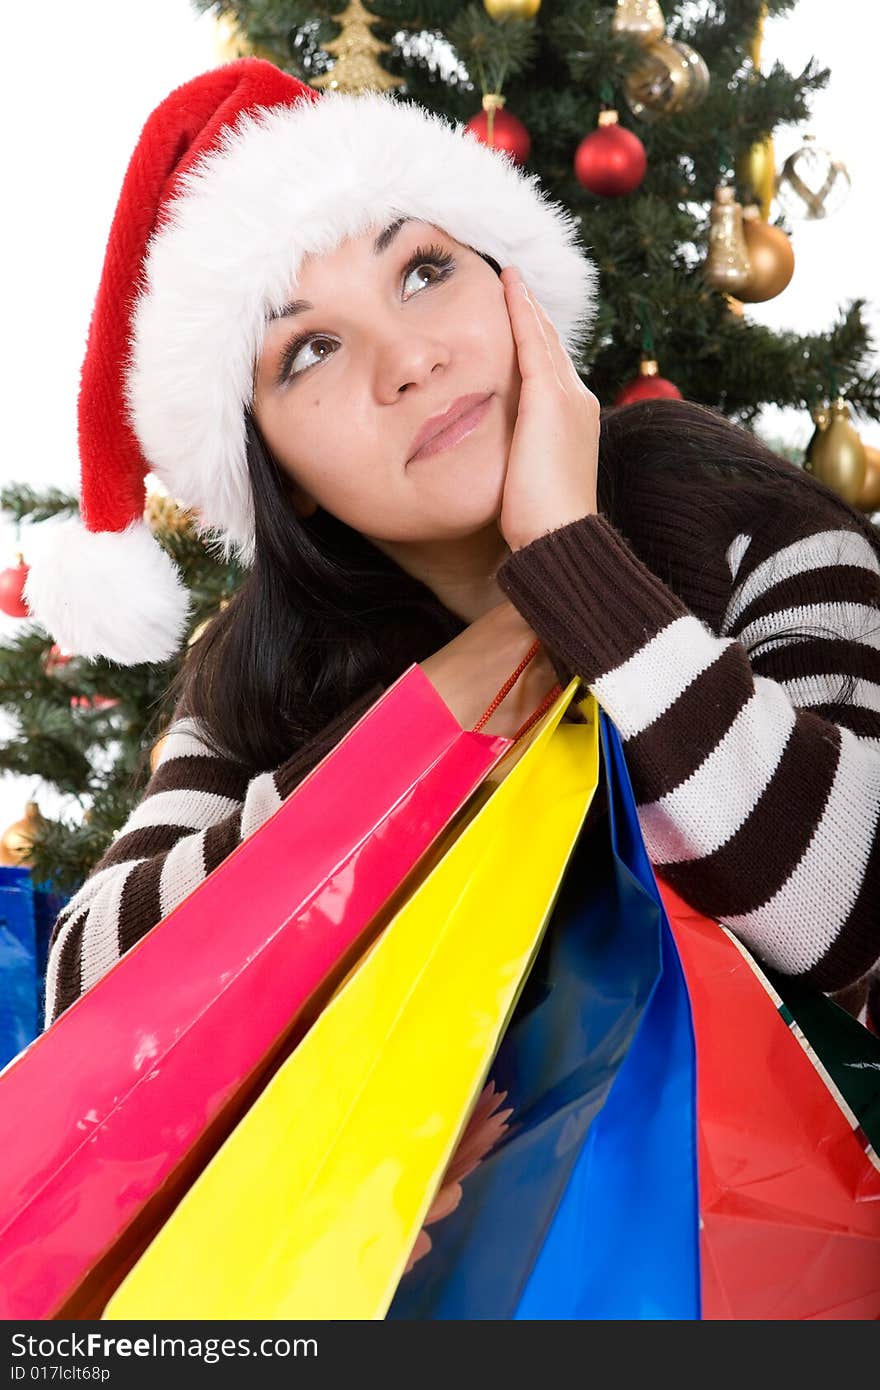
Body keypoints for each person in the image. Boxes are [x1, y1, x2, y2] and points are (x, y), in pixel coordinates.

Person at [27, 59, 880, 1033]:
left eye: (423, 272)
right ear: (282, 476)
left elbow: (846, 913)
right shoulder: (253, 671)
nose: (410, 361)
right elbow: (88, 993)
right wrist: (453, 695)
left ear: (512, 284)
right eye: (310, 350)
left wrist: (571, 558)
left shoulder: (742, 521)